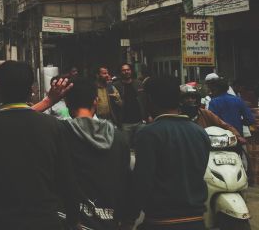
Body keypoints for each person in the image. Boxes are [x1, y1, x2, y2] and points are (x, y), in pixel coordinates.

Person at [0, 60, 77, 230]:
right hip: (48, 221)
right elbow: (67, 179)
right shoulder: (54, 126)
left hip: (6, 222)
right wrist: (72, 220)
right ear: (32, 91)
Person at [128, 76, 209, 230]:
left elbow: (142, 182)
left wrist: (129, 218)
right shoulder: (200, 133)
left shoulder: (148, 134)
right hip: (197, 221)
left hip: (161, 222)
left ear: (150, 100)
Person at [61, 77, 131, 230]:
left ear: (67, 103)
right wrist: (127, 221)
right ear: (96, 101)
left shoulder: (59, 133)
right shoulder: (118, 137)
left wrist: (50, 100)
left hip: (71, 222)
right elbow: (127, 181)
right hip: (111, 221)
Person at [113, 63, 146, 146]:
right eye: (123, 70)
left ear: (131, 71)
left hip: (139, 121)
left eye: (128, 70)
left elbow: (144, 101)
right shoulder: (116, 85)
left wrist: (147, 115)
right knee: (125, 147)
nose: (126, 72)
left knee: (140, 146)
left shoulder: (139, 83)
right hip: (124, 123)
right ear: (120, 72)